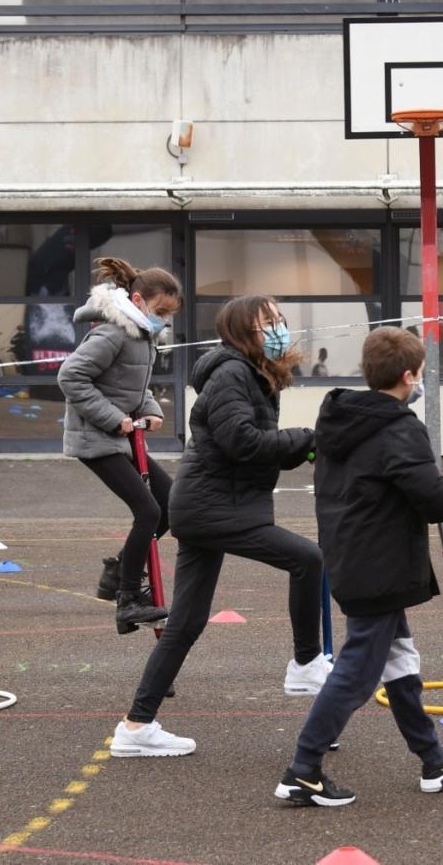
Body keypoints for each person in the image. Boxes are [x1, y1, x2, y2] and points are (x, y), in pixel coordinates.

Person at [109, 296, 327, 759]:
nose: (278, 329)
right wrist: (307, 438)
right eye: (268, 322)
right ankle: (306, 663)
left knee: (185, 624)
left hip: (216, 506)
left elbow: (260, 447)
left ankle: (136, 726)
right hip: (214, 510)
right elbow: (242, 441)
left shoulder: (253, 374)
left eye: (280, 321)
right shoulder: (231, 373)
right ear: (242, 330)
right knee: (307, 558)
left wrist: (305, 449)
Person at [275, 327, 443, 806]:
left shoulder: (340, 421)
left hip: (354, 559)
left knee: (399, 659)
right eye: (422, 373)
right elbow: (433, 500)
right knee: (356, 672)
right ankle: (303, 768)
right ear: (409, 376)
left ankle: (435, 760)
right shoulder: (398, 428)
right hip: (380, 567)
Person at [57, 256, 180, 635]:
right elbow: (71, 377)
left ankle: (119, 567)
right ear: (139, 300)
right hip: (96, 438)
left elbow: (133, 386)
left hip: (121, 436)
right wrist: (113, 417)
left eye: (169, 315)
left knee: (172, 504)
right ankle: (129, 599)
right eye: (160, 311)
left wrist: (150, 408)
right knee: (146, 510)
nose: (164, 320)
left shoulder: (142, 334)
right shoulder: (112, 333)